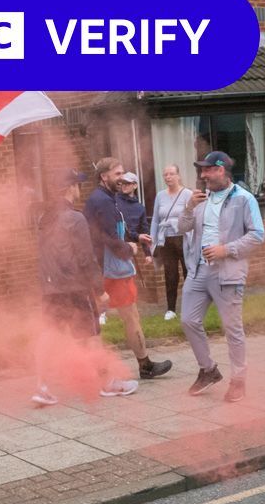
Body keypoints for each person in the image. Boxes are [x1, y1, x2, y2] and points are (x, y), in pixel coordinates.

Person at [32, 169, 139, 405]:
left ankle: (41, 386)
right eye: (77, 185)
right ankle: (107, 383)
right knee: (91, 335)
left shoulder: (44, 218)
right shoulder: (74, 218)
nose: (79, 190)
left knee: (49, 334)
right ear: (71, 188)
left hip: (51, 288)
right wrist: (99, 290)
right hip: (74, 287)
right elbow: (85, 258)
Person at [178, 151, 265, 403]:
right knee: (188, 320)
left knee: (232, 329)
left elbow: (258, 235)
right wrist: (188, 207)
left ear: (221, 170)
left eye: (207, 170)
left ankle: (239, 380)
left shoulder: (244, 199)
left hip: (228, 273)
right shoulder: (199, 199)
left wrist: (225, 250)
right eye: (201, 170)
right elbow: (182, 229)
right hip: (198, 270)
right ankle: (208, 370)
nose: (202, 175)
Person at [83, 157, 172, 380]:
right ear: (104, 177)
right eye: (117, 174)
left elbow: (114, 231)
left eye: (123, 174)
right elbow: (106, 236)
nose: (122, 178)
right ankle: (144, 366)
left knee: (94, 319)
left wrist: (134, 237)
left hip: (105, 267)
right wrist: (128, 249)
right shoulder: (102, 201)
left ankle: (99, 369)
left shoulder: (107, 198)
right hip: (111, 269)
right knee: (128, 316)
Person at [150, 165, 193, 321]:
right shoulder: (160, 196)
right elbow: (155, 219)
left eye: (171, 174)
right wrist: (152, 240)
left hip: (183, 238)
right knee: (170, 274)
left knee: (188, 272)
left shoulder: (188, 194)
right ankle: (171, 309)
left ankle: (190, 307)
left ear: (178, 176)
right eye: (165, 174)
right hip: (166, 239)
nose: (168, 177)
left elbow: (193, 217)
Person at [116, 171, 152, 261]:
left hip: (130, 250)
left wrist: (148, 254)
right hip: (114, 246)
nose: (124, 185)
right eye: (122, 183)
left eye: (127, 183)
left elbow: (144, 232)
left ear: (135, 185)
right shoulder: (114, 200)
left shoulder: (140, 208)